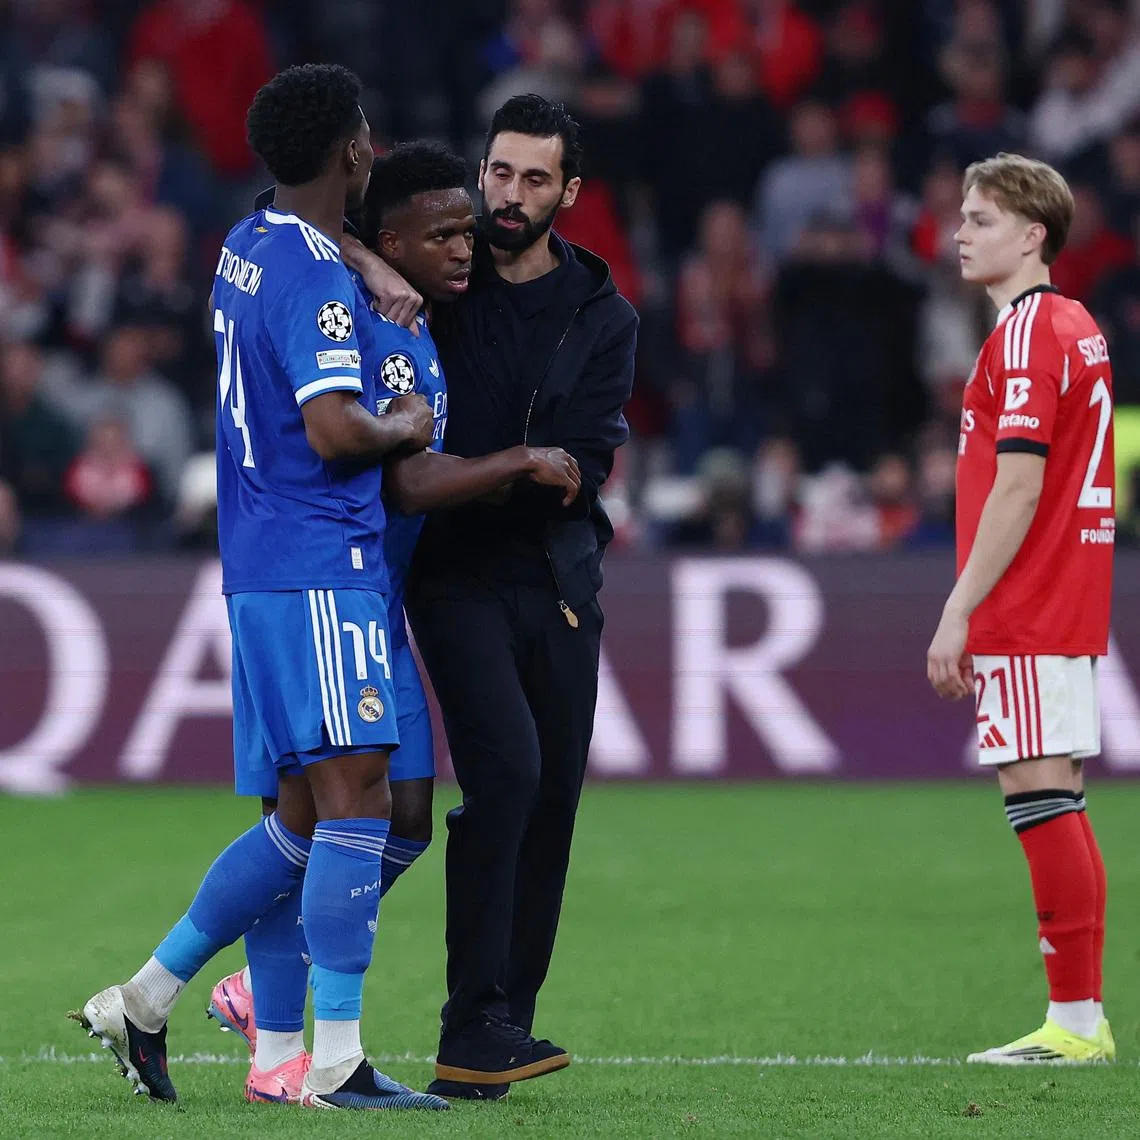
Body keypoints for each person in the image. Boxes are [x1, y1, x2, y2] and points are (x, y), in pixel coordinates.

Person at [72, 64, 451, 1113]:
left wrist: (359, 254)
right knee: (358, 801)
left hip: (263, 568)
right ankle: (333, 1059)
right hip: (322, 563)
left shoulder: (249, 248)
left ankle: (147, 997)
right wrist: (405, 427)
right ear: (352, 152)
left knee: (302, 815)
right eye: (365, 132)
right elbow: (335, 433)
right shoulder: (318, 281)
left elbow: (288, 240)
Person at [202, 140, 582, 1105]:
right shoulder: (360, 305)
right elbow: (402, 475)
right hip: (323, 578)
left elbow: (292, 206)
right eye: (445, 233)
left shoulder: (414, 291)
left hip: (359, 589)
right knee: (327, 812)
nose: (464, 246)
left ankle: (228, 997)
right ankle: (282, 1035)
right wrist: (513, 461)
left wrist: (377, 258)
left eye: (470, 228)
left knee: (389, 815)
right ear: (383, 234)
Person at [348, 94, 637, 1100]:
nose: (505, 197)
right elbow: (307, 225)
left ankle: (496, 1030)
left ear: (570, 193)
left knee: (551, 796)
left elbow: (588, 464)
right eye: (498, 173)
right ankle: (471, 1015)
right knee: (507, 773)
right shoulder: (439, 275)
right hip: (455, 570)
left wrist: (538, 471)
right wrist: (381, 267)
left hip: (559, 579)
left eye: (531, 180)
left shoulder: (602, 316)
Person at [927, 152, 1116, 1064]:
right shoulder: (1073, 323)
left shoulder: (1027, 334)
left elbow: (1017, 486)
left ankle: (1076, 1022)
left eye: (982, 219)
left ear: (1034, 233)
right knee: (1054, 792)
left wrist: (959, 607)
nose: (960, 233)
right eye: (963, 218)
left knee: (1039, 791)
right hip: (1058, 592)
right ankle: (1077, 1017)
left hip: (1029, 598)